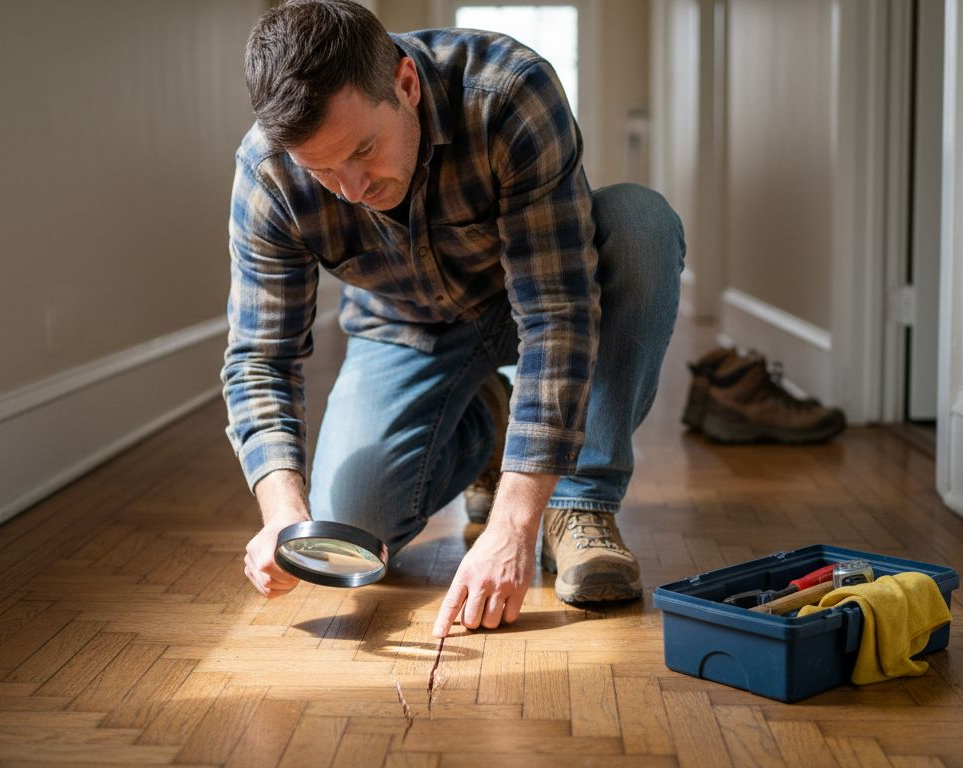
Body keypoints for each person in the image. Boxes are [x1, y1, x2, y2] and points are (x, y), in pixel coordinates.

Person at [224, 0, 683, 639]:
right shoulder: (268, 173)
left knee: (640, 226)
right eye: (323, 171)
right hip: (403, 328)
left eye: (364, 149)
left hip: (536, 289)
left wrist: (513, 528)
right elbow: (260, 358)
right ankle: (491, 422)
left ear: (406, 85)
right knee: (351, 530)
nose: (351, 189)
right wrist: (283, 520)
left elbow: (556, 314)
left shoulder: (508, 93)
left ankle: (581, 503)